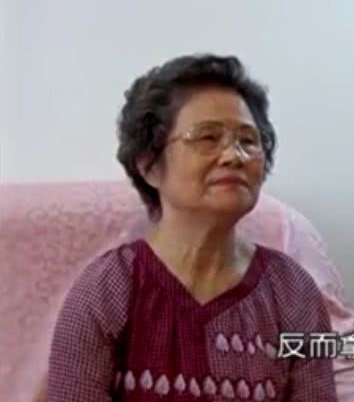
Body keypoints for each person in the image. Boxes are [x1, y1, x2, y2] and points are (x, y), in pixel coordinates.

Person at [47, 54, 337, 401]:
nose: (234, 156)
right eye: (207, 137)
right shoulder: (106, 288)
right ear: (149, 166)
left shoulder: (293, 292)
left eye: (248, 140)